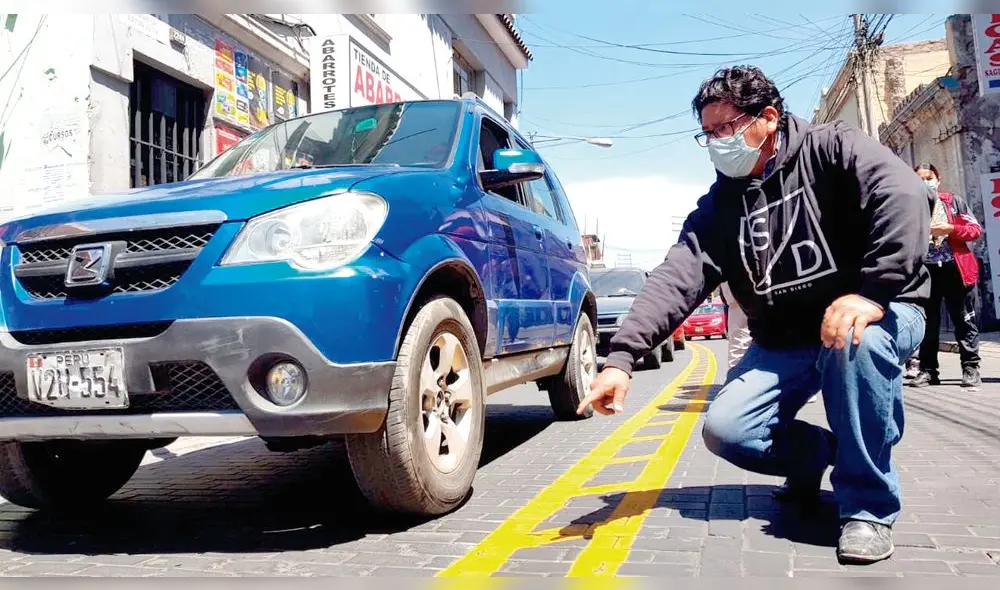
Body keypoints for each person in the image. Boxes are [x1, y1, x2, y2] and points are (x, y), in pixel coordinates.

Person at [577, 65, 929, 565]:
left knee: (860, 342)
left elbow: (903, 194)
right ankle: (822, 455)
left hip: (879, 310)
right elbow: (676, 276)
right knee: (727, 429)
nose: (717, 142)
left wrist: (871, 293)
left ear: (768, 117)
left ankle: (868, 509)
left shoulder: (833, 147)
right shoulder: (721, 204)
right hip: (787, 337)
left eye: (726, 128)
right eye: (708, 134)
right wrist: (621, 359)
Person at [907, 163, 983, 389]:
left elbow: (975, 230)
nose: (924, 183)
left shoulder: (953, 202)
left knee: (964, 321)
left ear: (938, 180)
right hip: (925, 273)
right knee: (928, 325)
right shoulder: (908, 205)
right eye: (919, 179)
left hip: (955, 270)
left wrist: (950, 229)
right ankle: (928, 371)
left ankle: (970, 368)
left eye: (928, 178)